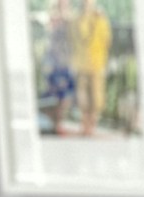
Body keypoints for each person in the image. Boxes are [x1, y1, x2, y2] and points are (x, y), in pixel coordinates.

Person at [71, 0, 111, 136]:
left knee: (96, 96)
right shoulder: (76, 20)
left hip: (96, 64)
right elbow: (74, 40)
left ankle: (91, 127)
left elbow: (106, 41)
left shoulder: (101, 20)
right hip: (82, 64)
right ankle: (84, 126)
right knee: (83, 97)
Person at [44, 0, 75, 135]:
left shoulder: (71, 20)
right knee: (55, 95)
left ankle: (59, 123)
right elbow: (50, 40)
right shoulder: (53, 18)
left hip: (66, 62)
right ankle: (56, 125)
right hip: (54, 62)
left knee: (66, 95)